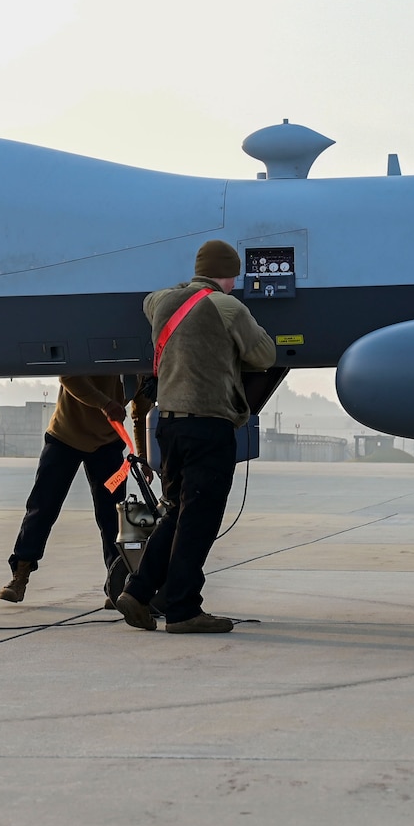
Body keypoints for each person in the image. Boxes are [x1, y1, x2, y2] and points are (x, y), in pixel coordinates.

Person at [114, 239, 276, 634]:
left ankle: (136, 591)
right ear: (230, 275)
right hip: (208, 424)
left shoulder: (162, 302)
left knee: (177, 512)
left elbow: (149, 301)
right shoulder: (228, 307)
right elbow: (264, 355)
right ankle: (184, 609)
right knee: (198, 521)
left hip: (168, 425)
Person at [0, 375, 146, 604]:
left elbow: (141, 413)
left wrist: (144, 456)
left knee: (113, 518)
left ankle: (117, 584)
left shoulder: (140, 362)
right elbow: (68, 376)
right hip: (64, 438)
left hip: (107, 446)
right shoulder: (88, 343)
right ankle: (20, 574)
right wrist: (106, 404)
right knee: (42, 508)